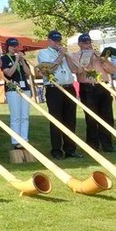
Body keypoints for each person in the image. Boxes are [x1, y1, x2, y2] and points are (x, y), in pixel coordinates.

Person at [37, 31, 80, 159]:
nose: (58, 43)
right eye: (55, 41)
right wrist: (61, 55)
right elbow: (49, 69)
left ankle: (70, 149)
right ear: (49, 41)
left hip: (68, 87)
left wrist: (67, 56)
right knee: (56, 119)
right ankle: (56, 150)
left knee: (70, 119)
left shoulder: (65, 53)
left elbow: (74, 69)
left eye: (59, 41)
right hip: (54, 88)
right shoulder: (43, 53)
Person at [72, 34, 116, 152]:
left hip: (103, 86)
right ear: (80, 44)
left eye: (89, 43)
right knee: (91, 117)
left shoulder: (99, 55)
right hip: (88, 87)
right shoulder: (75, 56)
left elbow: (112, 70)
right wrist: (86, 60)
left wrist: (103, 60)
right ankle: (93, 144)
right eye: (85, 43)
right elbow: (77, 71)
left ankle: (107, 144)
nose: (88, 45)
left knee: (107, 116)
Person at [0, 38, 35, 149]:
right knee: (16, 116)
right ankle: (15, 141)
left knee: (25, 116)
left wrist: (22, 61)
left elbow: (28, 74)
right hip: (12, 89)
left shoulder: (21, 57)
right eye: (12, 46)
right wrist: (16, 61)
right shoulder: (3, 58)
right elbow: (9, 73)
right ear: (7, 47)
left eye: (16, 46)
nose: (15, 48)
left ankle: (24, 139)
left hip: (25, 88)